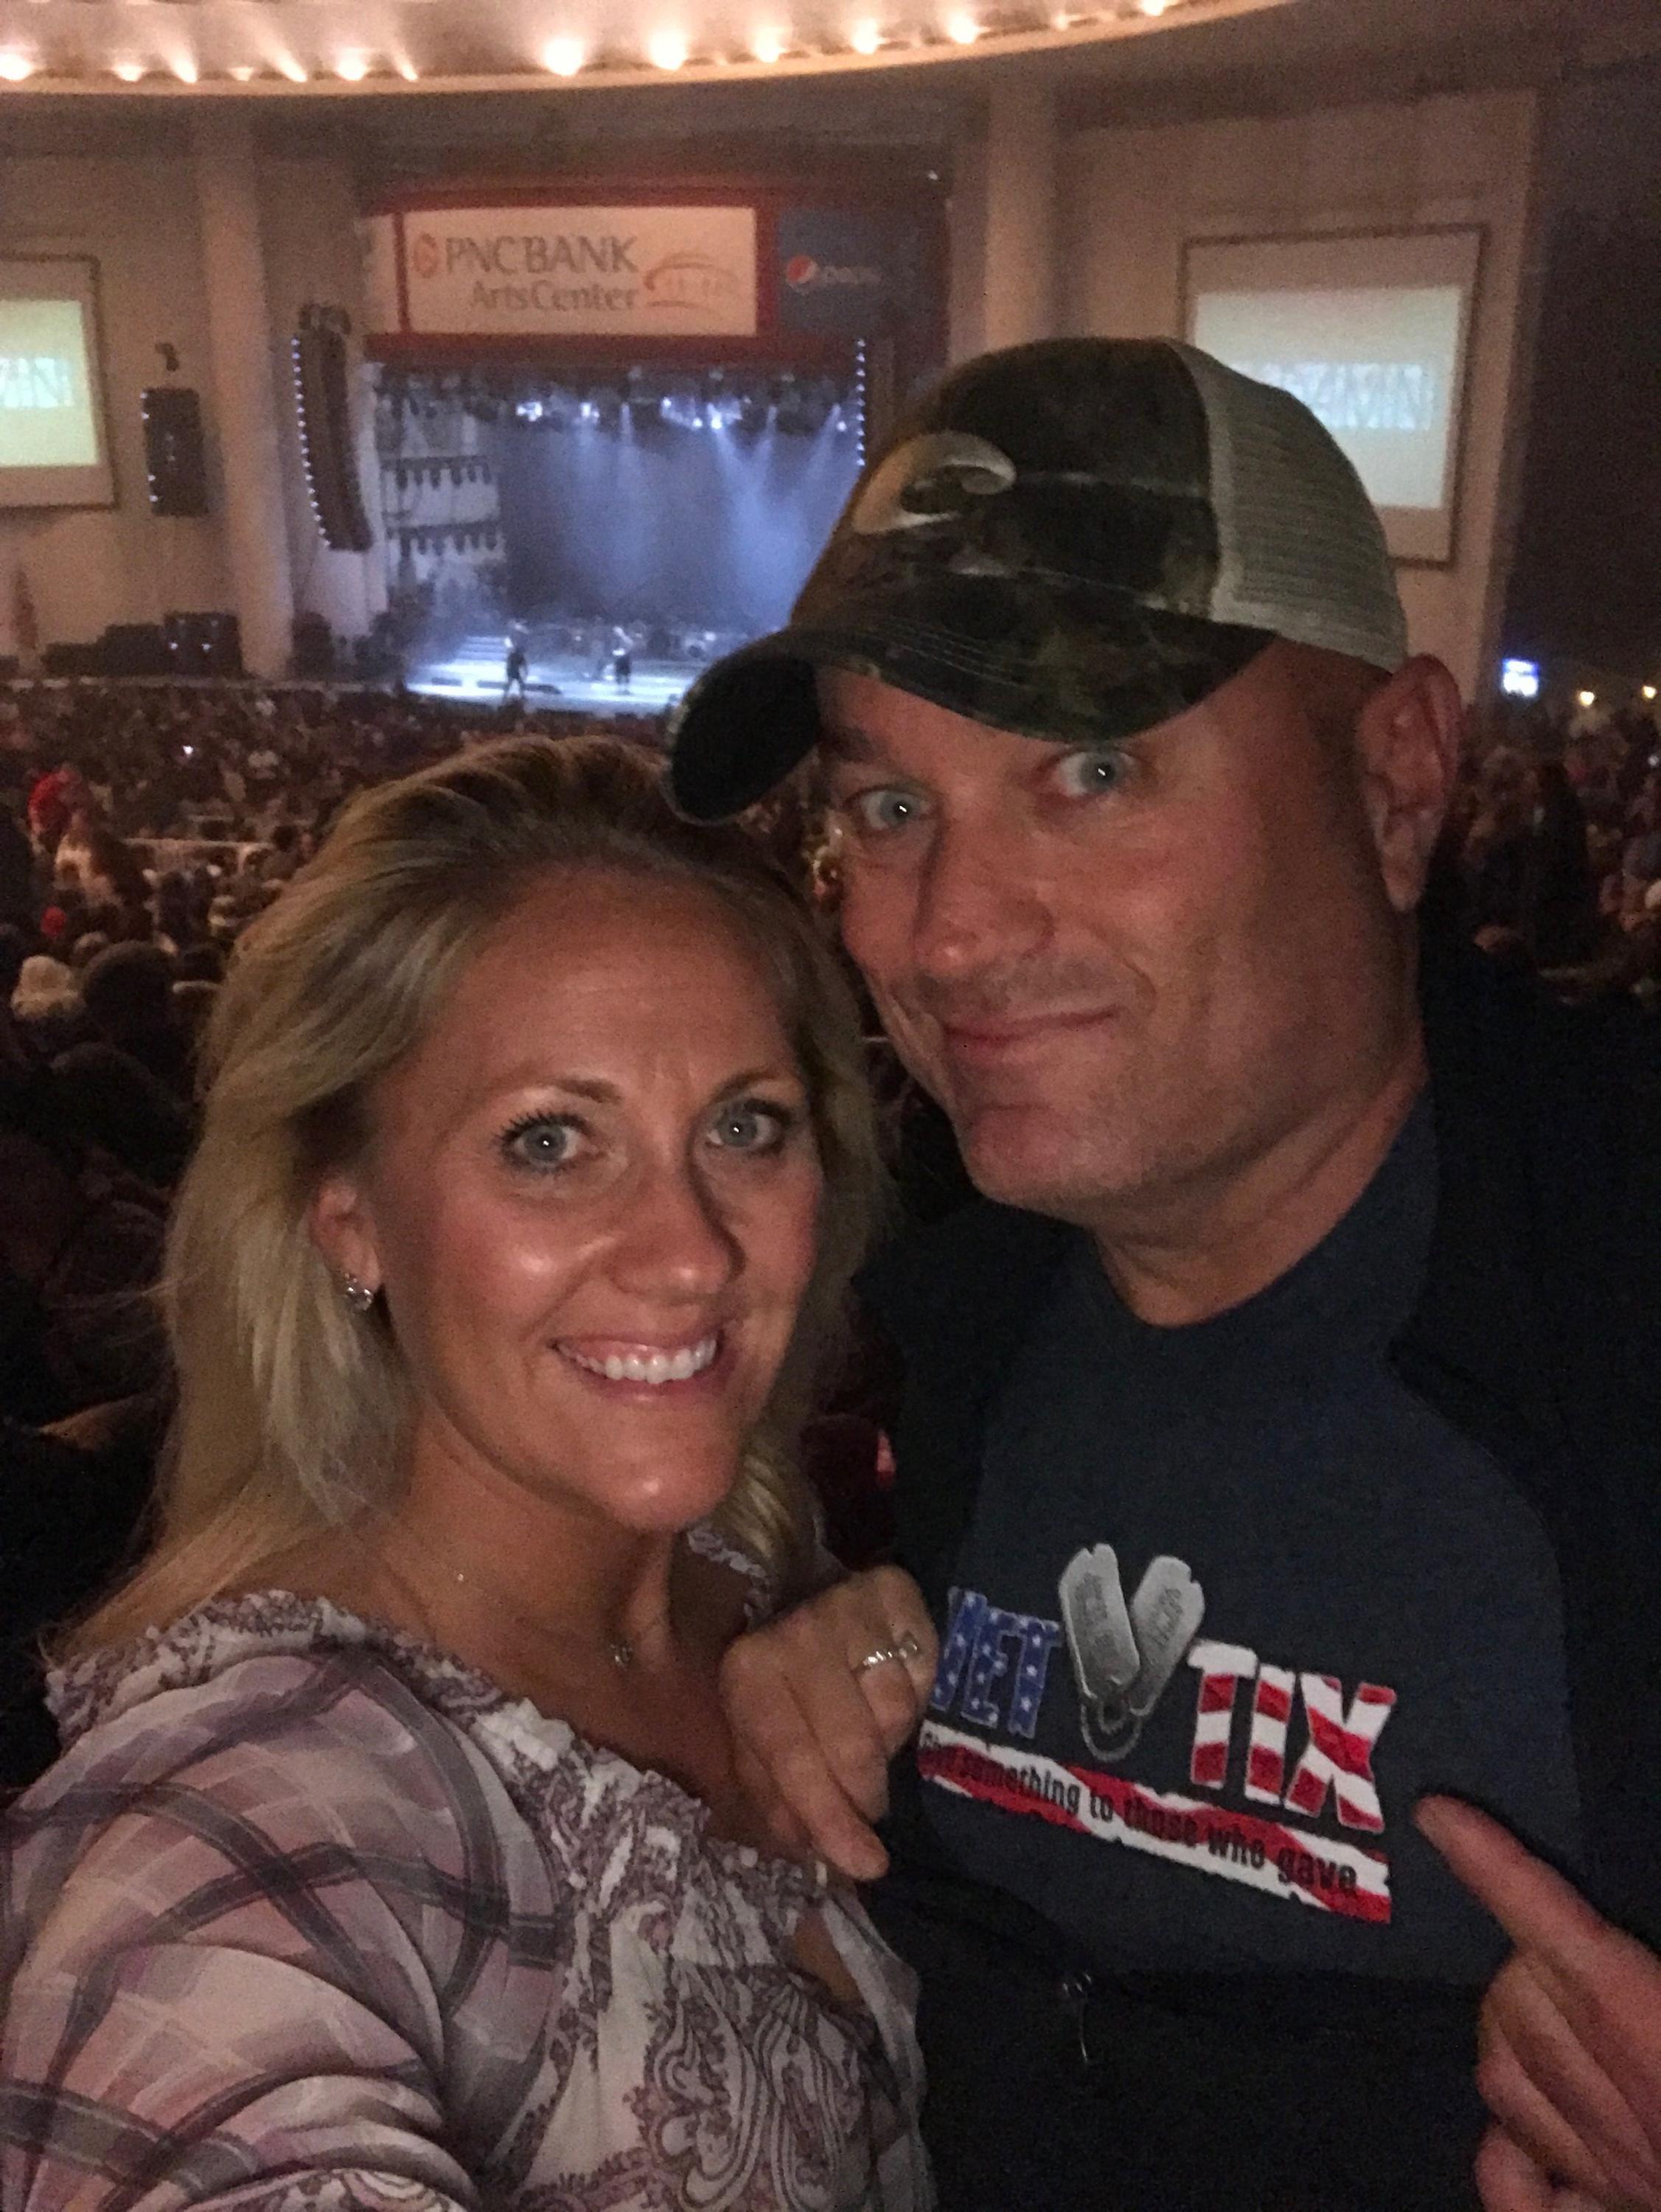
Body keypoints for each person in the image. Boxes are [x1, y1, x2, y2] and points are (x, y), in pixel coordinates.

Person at [667, 340, 1661, 2210]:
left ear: (1395, 780)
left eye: (1092, 770)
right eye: (886, 808)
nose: (947, 931)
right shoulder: (955, 1320)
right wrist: (835, 1662)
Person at [0, 737, 932, 2212]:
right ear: (348, 1214)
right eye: (550, 1142)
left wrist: (901, 1647)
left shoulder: (765, 1582)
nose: (691, 1252)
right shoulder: (237, 1829)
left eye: (744, 1126)